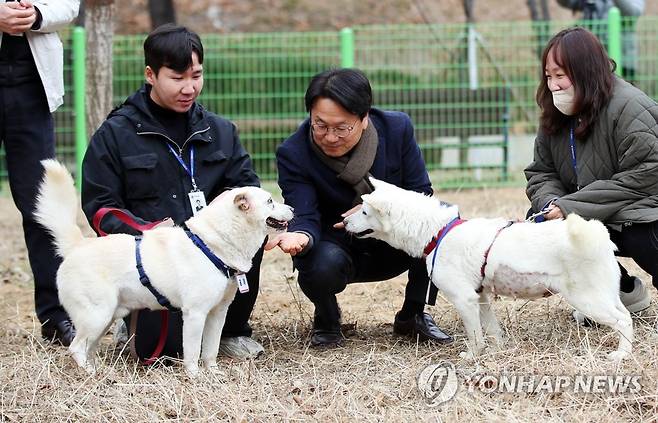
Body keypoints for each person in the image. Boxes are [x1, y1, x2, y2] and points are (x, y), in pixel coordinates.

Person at [81, 24, 264, 360]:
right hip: (156, 267)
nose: (189, 87)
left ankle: (231, 329)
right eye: (177, 77)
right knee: (163, 354)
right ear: (151, 74)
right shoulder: (116, 133)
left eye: (196, 75)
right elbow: (100, 207)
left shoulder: (220, 130)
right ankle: (132, 318)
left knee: (253, 231)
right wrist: (146, 233)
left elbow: (247, 187)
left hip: (213, 255)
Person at [266, 68, 453, 347]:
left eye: (342, 127)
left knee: (441, 221)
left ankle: (413, 315)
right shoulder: (294, 153)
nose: (330, 136)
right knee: (318, 262)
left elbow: (421, 194)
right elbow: (304, 213)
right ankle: (327, 319)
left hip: (394, 241)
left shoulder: (396, 129)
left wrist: (374, 212)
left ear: (364, 118)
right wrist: (300, 235)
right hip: (339, 247)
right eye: (320, 125)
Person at [525, 27, 658, 324]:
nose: (553, 85)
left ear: (585, 71)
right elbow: (541, 171)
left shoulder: (630, 106)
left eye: (560, 75)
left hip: (642, 208)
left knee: (640, 230)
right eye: (548, 76)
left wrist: (572, 206)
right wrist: (552, 205)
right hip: (592, 211)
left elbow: (649, 171)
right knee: (546, 226)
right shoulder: (554, 111)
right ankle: (620, 293)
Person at [0, 0, 80, 346]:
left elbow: (69, 6)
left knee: (41, 206)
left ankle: (55, 316)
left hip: (32, 88)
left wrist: (37, 16)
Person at [556, 0, 644, 83]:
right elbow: (568, 2)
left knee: (623, 95)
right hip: (592, 59)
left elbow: (632, 13)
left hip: (623, 59)